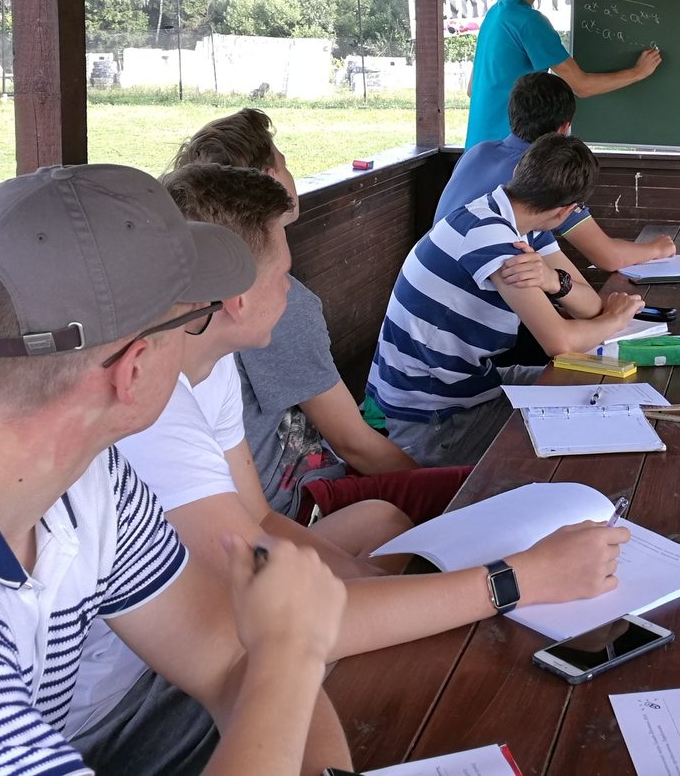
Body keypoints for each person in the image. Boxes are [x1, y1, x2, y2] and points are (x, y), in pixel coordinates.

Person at [69, 163, 627, 771]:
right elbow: (260, 605)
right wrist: (515, 579)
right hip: (136, 696)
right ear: (236, 296)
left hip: (204, 613)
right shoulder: (154, 405)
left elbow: (257, 519)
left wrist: (390, 593)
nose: (292, 289)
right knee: (402, 654)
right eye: (285, 273)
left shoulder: (210, 365)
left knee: (380, 529)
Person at [0, 163, 351, 775]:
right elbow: (262, 667)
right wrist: (292, 653)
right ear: (132, 370)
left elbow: (227, 661)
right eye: (190, 320)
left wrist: (277, 662)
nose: (198, 332)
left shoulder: (82, 470)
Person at [171, 108, 468, 533]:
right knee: (467, 494)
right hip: (299, 497)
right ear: (265, 186)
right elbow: (354, 444)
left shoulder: (205, 337)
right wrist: (424, 484)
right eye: (285, 163)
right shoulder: (278, 307)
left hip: (283, 496)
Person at [367, 134, 645, 466]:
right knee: (588, 436)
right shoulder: (492, 236)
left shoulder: (518, 222)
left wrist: (552, 279)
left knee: (600, 387)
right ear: (567, 211)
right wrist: (615, 320)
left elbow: (591, 305)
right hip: (433, 418)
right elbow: (560, 342)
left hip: (469, 386)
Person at [439, 71, 677, 270]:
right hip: (472, 300)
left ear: (512, 113)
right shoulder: (545, 171)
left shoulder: (477, 152)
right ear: (564, 127)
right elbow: (608, 257)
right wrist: (656, 248)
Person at [464, 0, 662, 147]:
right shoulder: (529, 22)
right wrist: (638, 72)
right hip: (509, 158)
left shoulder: (494, 16)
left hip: (476, 154)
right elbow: (582, 86)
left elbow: (472, 89)